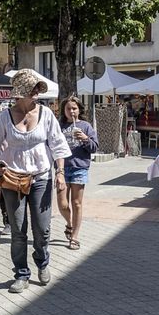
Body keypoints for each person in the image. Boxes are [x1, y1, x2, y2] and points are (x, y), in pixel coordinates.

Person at [0, 69, 71, 294]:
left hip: (41, 177)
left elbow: (58, 144)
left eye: (37, 90)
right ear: (20, 93)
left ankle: (42, 261)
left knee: (42, 229)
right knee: (18, 231)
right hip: (13, 179)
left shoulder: (46, 114)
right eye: (32, 91)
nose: (36, 94)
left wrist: (60, 172)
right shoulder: (5, 117)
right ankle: (21, 273)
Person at [55, 96, 98, 251]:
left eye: (74, 108)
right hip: (62, 168)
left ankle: (74, 237)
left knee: (77, 203)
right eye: (68, 108)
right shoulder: (59, 126)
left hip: (80, 167)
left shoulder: (85, 126)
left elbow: (94, 147)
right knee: (62, 204)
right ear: (63, 110)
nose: (71, 111)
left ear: (79, 109)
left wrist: (85, 139)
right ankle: (69, 223)